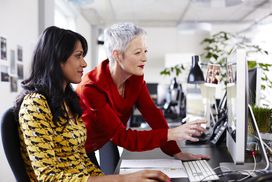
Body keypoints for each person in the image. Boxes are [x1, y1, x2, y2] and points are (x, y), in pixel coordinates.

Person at [14, 26, 169, 182]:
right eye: (78, 56)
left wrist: (115, 179)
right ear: (57, 59)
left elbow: (82, 161)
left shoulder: (66, 101)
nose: (84, 63)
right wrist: (121, 179)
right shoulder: (35, 104)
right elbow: (48, 178)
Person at [76, 22, 209, 161]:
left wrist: (176, 152)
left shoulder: (135, 79)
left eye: (145, 51)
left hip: (108, 136)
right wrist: (172, 133)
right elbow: (123, 137)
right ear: (117, 55)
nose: (145, 58)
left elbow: (153, 115)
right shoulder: (91, 88)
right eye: (138, 52)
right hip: (79, 148)